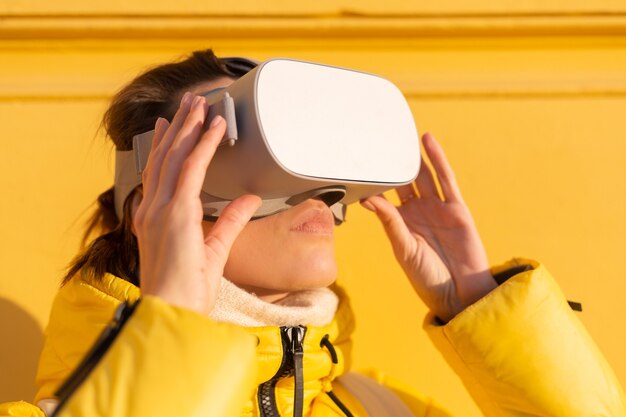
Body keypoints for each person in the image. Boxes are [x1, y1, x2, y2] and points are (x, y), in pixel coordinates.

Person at [1, 49, 624, 417]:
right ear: (155, 202)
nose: (314, 186)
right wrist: (169, 327)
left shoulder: (383, 410)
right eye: (240, 147)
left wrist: (485, 311)